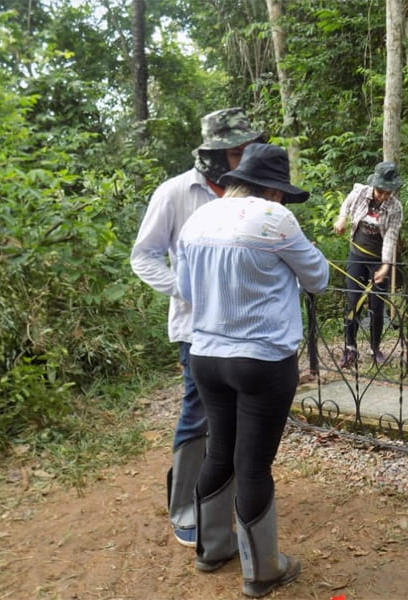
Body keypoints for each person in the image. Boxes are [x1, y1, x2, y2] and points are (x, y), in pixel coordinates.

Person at [177, 143, 328, 598]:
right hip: (262, 358)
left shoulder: (198, 218)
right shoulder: (274, 219)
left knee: (219, 451)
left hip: (206, 356)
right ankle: (262, 571)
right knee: (254, 465)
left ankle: (212, 548)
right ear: (272, 190)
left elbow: (185, 290)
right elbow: (318, 278)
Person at [129, 107, 265, 547]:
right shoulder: (176, 193)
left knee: (241, 416)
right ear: (214, 154)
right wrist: (186, 290)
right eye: (238, 152)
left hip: (246, 327)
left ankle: (226, 498)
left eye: (249, 150)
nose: (246, 159)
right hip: (198, 330)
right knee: (198, 413)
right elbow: (143, 256)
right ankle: (186, 507)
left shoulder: (253, 194)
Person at [333, 161, 404, 368]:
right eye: (380, 191)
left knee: (377, 304)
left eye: (388, 192)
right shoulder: (360, 193)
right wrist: (342, 219)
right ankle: (350, 348)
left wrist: (385, 266)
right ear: (374, 185)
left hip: (378, 260)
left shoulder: (395, 207)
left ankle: (375, 348)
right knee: (353, 301)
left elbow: (390, 238)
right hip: (357, 255)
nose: (383, 196)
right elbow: (346, 206)